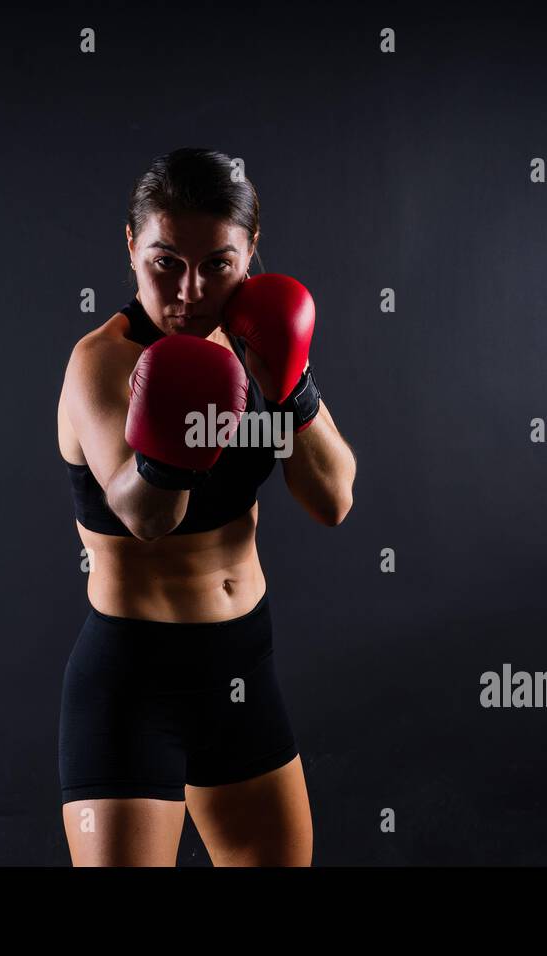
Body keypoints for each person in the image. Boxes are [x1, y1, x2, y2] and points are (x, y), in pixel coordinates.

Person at [55, 148, 357, 866]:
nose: (190, 290)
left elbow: (334, 499)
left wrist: (291, 390)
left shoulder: (263, 347)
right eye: (166, 262)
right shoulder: (102, 362)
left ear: (252, 251)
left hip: (242, 663)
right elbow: (144, 514)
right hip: (133, 677)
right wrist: (172, 431)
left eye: (218, 264)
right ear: (131, 248)